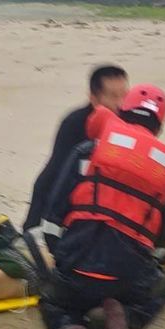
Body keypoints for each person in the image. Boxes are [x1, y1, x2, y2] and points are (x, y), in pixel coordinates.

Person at [33, 85, 165, 329]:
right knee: (160, 290)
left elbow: (53, 212)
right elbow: (163, 239)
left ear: (122, 113)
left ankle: (69, 325)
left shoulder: (86, 151)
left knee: (53, 299)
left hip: (76, 264)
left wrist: (61, 257)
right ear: (159, 127)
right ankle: (125, 315)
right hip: (128, 276)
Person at [22, 64, 130, 232]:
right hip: (63, 200)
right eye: (113, 96)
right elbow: (55, 174)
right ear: (93, 98)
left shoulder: (131, 123)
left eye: (125, 95)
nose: (120, 103)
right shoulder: (74, 123)